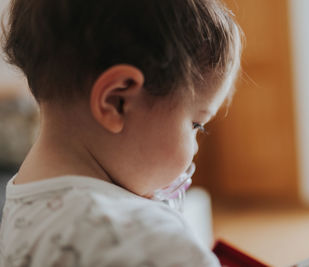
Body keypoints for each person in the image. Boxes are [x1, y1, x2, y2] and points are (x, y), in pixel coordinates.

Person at [0, 0, 242, 266]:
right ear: (117, 102)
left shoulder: (25, 203)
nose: (195, 148)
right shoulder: (151, 242)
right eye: (196, 124)